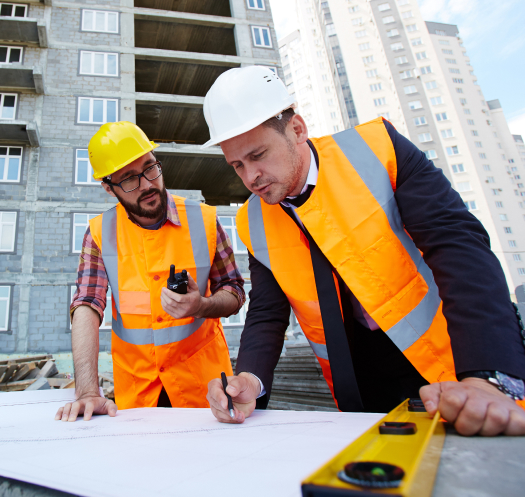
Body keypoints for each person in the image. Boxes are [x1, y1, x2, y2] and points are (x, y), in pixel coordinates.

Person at [205, 66, 525, 437]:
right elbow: (266, 313)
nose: (250, 177)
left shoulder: (377, 149)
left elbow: (457, 245)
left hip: (453, 361)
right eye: (237, 165)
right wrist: (251, 379)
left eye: (258, 154)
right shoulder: (251, 220)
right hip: (358, 386)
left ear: (296, 130)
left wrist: (488, 374)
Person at [56, 121, 244, 422]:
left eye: (150, 168)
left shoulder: (204, 221)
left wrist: (203, 305)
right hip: (138, 395)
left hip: (206, 393)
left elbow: (234, 290)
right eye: (129, 179)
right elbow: (86, 305)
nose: (147, 184)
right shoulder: (100, 233)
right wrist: (88, 391)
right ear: (108, 187)